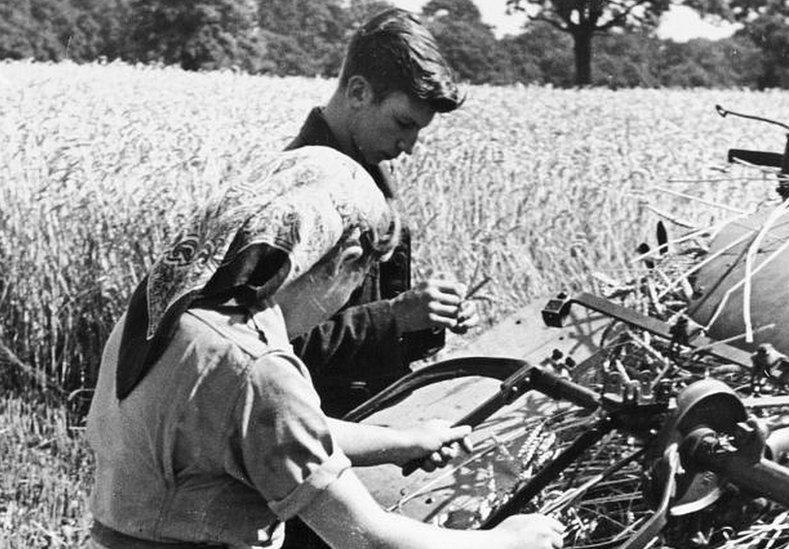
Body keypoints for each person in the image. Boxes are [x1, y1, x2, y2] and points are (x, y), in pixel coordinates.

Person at [86, 146, 564, 548]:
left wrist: (406, 442)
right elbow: (365, 538)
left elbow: (268, 429)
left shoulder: (175, 307)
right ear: (347, 260)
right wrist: (508, 540)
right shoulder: (258, 366)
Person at [286, 8, 479, 419]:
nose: (408, 146)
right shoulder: (301, 191)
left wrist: (429, 316)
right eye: (402, 123)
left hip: (378, 418)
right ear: (358, 93)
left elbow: (380, 336)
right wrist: (397, 315)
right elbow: (268, 351)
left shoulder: (373, 184)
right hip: (316, 434)